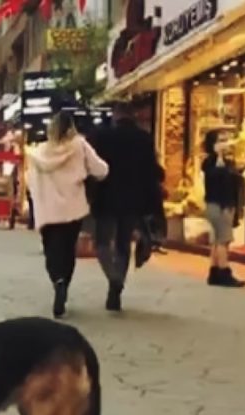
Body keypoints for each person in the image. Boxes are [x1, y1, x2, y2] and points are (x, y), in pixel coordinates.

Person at [27, 111, 109, 319]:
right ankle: (64, 282)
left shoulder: (38, 153)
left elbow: (30, 181)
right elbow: (101, 170)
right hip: (73, 208)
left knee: (51, 250)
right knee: (67, 250)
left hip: (48, 210)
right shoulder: (79, 145)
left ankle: (57, 281)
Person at [88, 102, 164, 311]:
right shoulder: (144, 139)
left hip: (105, 198)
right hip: (133, 201)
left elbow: (91, 169)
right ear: (133, 116)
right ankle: (118, 283)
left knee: (102, 243)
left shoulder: (100, 137)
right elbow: (153, 172)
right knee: (123, 243)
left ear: (115, 115)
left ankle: (113, 278)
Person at [201, 129, 245, 288]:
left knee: (217, 239)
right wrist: (219, 157)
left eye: (227, 140)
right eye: (220, 140)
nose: (225, 144)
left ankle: (214, 270)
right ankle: (224, 271)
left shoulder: (228, 163)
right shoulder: (210, 162)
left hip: (226, 204)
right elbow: (215, 177)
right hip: (218, 205)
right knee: (223, 239)